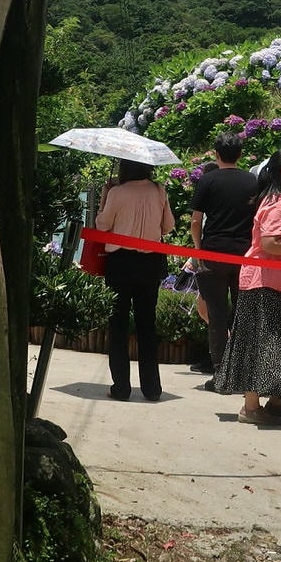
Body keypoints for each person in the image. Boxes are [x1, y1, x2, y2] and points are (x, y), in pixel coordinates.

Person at [213, 148, 281, 423]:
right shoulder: (274, 203)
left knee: (279, 342)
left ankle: (277, 400)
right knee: (261, 342)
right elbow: (270, 243)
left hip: (276, 281)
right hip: (264, 282)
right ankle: (250, 407)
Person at [93, 159, 176, 402]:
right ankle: (152, 389)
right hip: (150, 263)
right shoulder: (159, 190)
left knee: (117, 324)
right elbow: (168, 226)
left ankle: (121, 387)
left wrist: (105, 198)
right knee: (147, 325)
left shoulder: (117, 192)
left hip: (121, 262)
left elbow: (103, 224)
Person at [189, 134, 258, 389]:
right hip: (244, 255)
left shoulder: (207, 180)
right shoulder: (252, 180)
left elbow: (196, 221)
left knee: (217, 315)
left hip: (213, 253)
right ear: (240, 155)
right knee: (242, 314)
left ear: (216, 154)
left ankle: (220, 374)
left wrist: (198, 249)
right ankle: (241, 373)